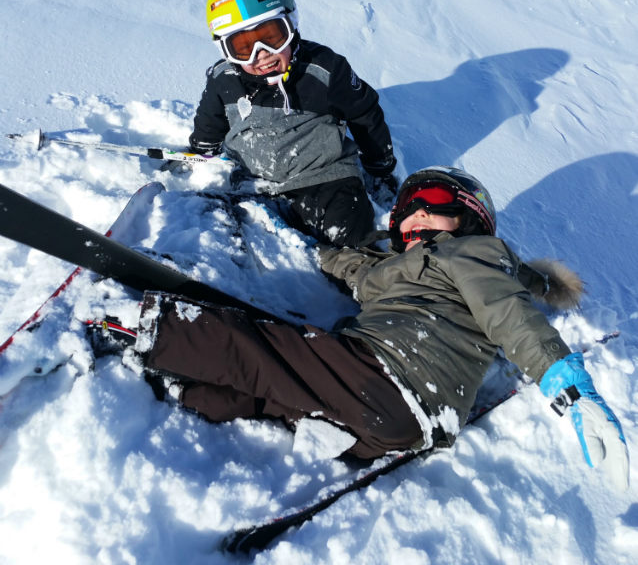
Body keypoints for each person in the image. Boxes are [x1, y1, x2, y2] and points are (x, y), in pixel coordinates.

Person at [94, 166, 629, 490]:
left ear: (470, 220)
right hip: (396, 423)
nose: (416, 215)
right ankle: (181, 389)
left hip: (394, 373)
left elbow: (508, 311)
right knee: (262, 396)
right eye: (407, 211)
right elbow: (351, 267)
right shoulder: (395, 268)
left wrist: (570, 387)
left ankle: (133, 324)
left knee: (264, 349)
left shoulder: (475, 255)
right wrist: (312, 243)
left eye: (434, 206)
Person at [187, 0, 397, 247]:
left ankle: (356, 267)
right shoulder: (223, 78)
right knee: (213, 224)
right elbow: (210, 121)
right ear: (226, 51)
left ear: (292, 23)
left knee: (351, 231)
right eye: (243, 47)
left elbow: (364, 114)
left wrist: (380, 165)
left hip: (325, 180)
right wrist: (201, 150)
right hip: (253, 183)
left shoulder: (326, 70)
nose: (261, 54)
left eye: (272, 36)